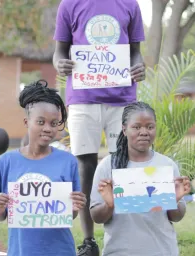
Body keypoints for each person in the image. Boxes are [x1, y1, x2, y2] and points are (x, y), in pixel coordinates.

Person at [53, 1, 146, 254]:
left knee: (124, 164)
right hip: (83, 99)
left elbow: (135, 50)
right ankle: (88, 240)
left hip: (123, 98)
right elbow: (60, 51)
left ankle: (125, 236)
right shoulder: (70, 4)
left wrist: (139, 65)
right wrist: (60, 64)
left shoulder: (129, 3)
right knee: (85, 164)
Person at [0, 80, 86, 256]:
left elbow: (69, 215)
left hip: (60, 251)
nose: (48, 128)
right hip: (21, 251)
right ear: (27, 122)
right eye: (41, 122)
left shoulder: (68, 161)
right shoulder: (7, 161)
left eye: (54, 123)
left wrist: (74, 207)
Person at [90, 102, 191, 256]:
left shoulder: (166, 165)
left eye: (150, 127)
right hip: (119, 252)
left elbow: (177, 217)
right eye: (136, 127)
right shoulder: (108, 165)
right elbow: (96, 217)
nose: (144, 132)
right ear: (124, 129)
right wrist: (109, 205)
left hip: (162, 251)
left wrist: (174, 200)